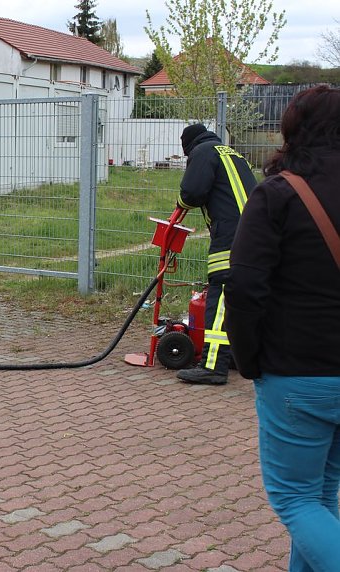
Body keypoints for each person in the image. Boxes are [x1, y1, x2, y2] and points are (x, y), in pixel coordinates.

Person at [226, 85, 340, 572]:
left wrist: (248, 359)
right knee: (321, 497)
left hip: (296, 373)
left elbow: (245, 287)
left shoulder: (278, 193)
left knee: (294, 498)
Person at [173, 123, 257, 385]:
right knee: (247, 298)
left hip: (232, 236)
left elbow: (192, 193)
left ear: (188, 146)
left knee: (221, 294)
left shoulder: (202, 152)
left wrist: (179, 203)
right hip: (258, 233)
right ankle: (239, 357)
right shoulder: (233, 153)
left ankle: (213, 366)